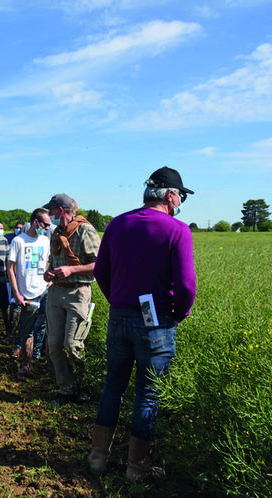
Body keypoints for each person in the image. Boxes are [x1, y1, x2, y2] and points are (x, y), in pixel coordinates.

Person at [89, 166, 196, 481]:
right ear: (171, 196)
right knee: (148, 394)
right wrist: (179, 313)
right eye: (181, 197)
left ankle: (97, 458)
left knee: (113, 386)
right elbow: (187, 286)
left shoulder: (118, 224)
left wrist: (116, 300)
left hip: (119, 317)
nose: (180, 204)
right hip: (156, 322)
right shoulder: (177, 230)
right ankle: (137, 469)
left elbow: (100, 272)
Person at [43, 193, 102, 405]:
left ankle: (84, 386)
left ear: (60, 210)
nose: (49, 215)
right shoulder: (56, 233)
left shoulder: (86, 230)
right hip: (56, 292)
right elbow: (52, 261)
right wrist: (48, 273)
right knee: (54, 346)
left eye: (51, 210)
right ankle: (65, 390)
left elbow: (101, 264)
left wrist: (72, 269)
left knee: (72, 344)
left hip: (78, 292)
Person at [7, 208, 51, 376]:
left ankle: (38, 359)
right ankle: (26, 365)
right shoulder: (19, 241)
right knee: (28, 331)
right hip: (27, 293)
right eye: (45, 225)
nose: (47, 228)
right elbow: (10, 268)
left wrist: (49, 279)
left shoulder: (45, 241)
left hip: (44, 290)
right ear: (35, 222)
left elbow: (46, 262)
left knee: (45, 327)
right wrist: (16, 292)